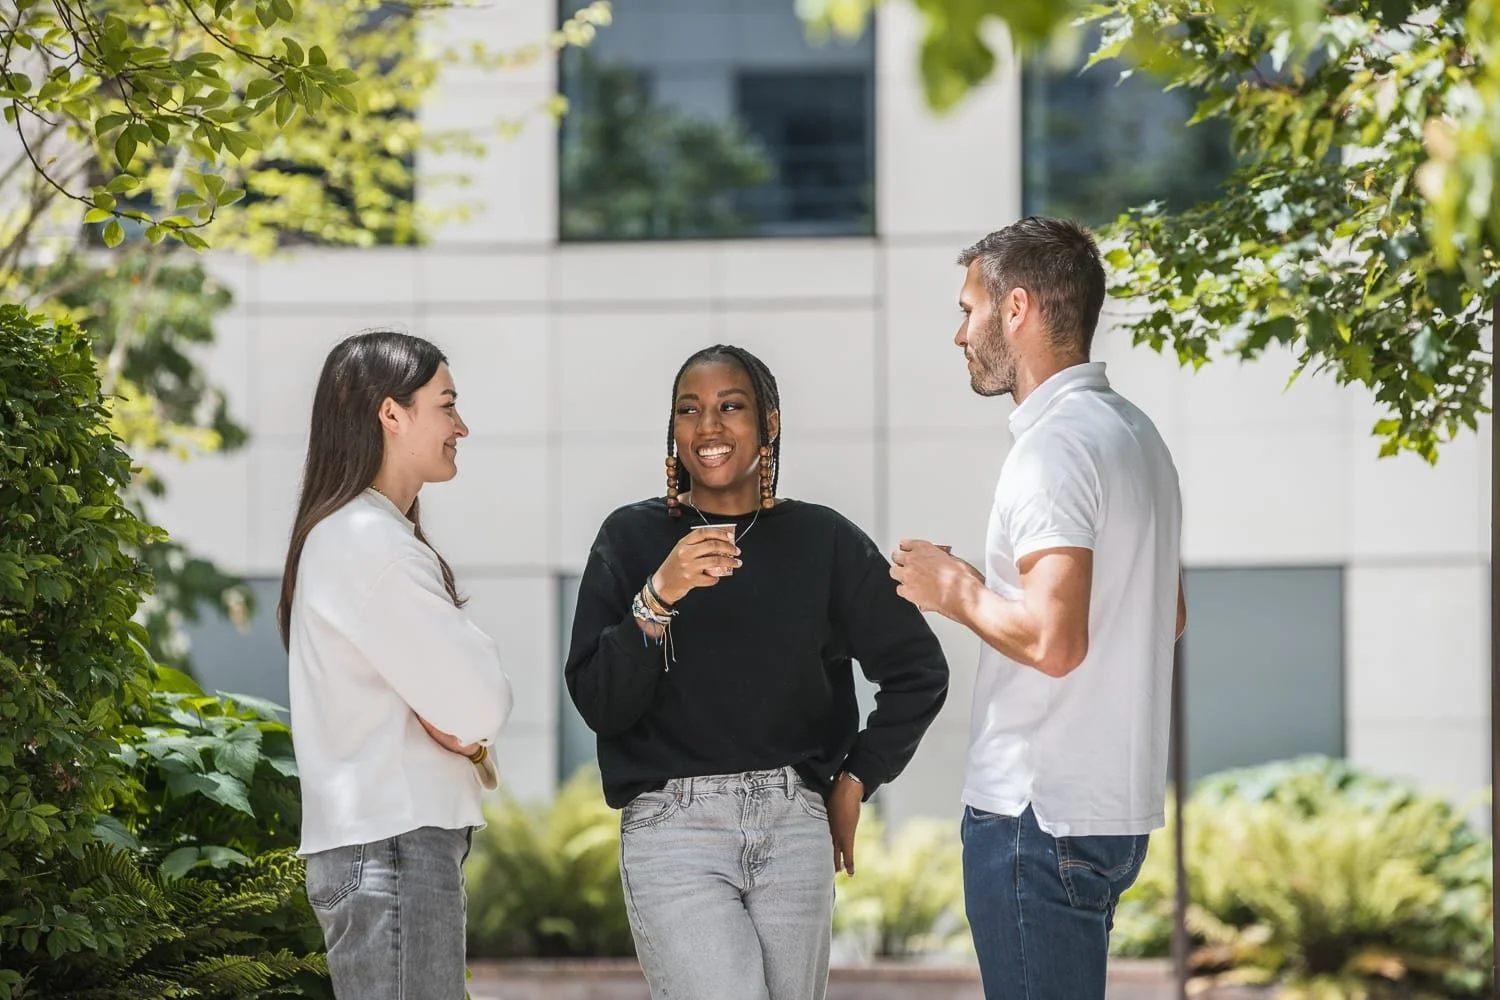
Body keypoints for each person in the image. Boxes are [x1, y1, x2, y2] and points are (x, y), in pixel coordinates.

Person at [565, 344, 949, 1000]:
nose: (707, 426)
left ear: (769, 423)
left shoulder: (821, 540)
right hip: (673, 829)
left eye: (729, 406)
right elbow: (602, 703)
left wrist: (855, 781)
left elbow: (918, 670)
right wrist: (658, 595)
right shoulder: (630, 538)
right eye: (690, 410)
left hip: (794, 825)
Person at [889, 217, 1187, 1000]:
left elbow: (1056, 641)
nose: (960, 335)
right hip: (1109, 815)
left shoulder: (1053, 448)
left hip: (1035, 815)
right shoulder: (1136, 436)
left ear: (1014, 309)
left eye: (968, 310)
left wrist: (949, 589)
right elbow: (1171, 615)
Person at [278, 330, 514, 1000]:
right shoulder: (368, 542)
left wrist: (465, 730)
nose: (460, 426)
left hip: (386, 849)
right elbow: (481, 703)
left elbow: (463, 712)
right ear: (391, 413)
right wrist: (472, 732)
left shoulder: (358, 536)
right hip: (395, 851)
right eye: (446, 405)